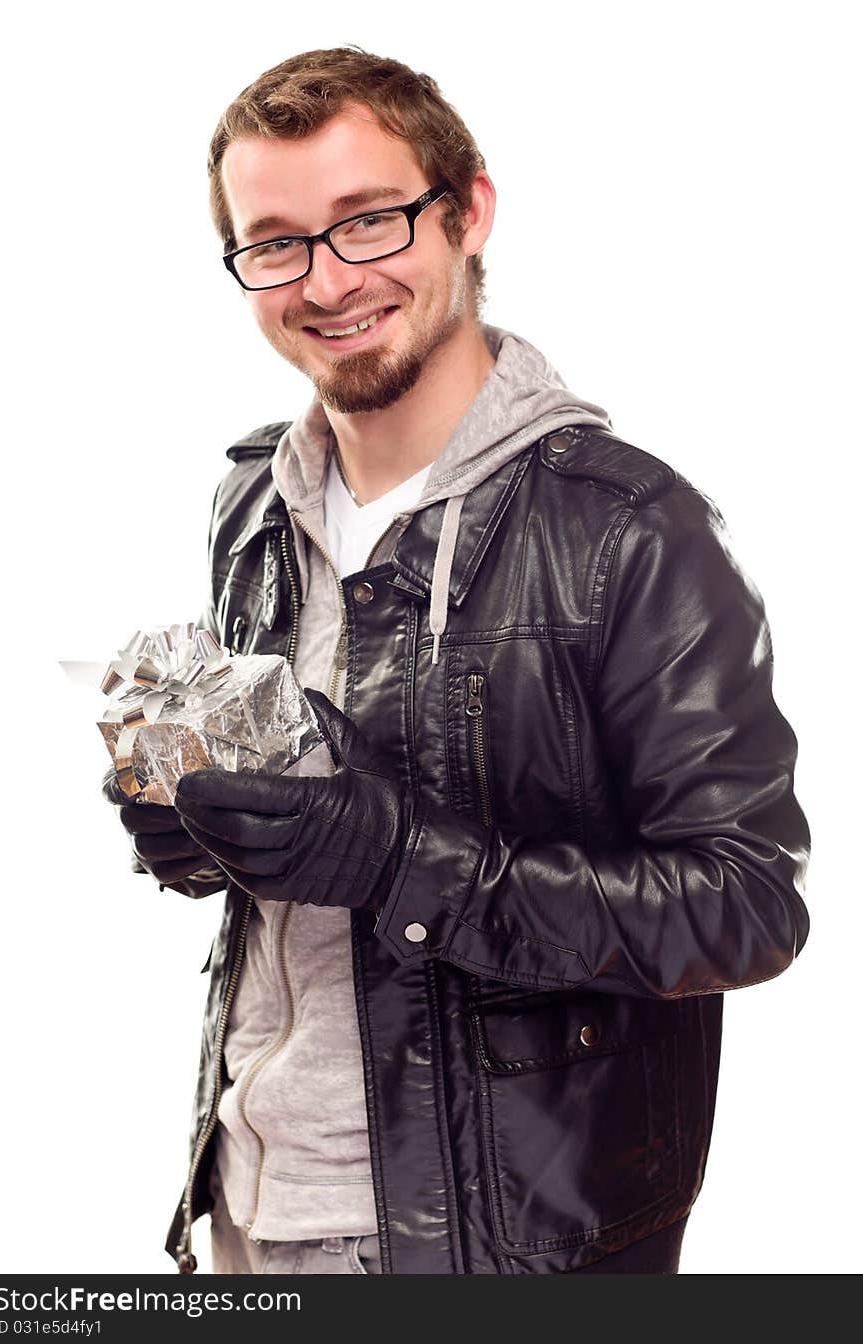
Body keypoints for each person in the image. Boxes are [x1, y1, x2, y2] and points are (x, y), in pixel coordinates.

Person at [104, 46, 810, 1276]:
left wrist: (401, 860)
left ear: (467, 210)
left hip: (489, 1245)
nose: (326, 283)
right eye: (274, 243)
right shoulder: (251, 499)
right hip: (243, 1203)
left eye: (367, 221)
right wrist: (197, 833)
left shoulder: (628, 527)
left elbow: (744, 908)